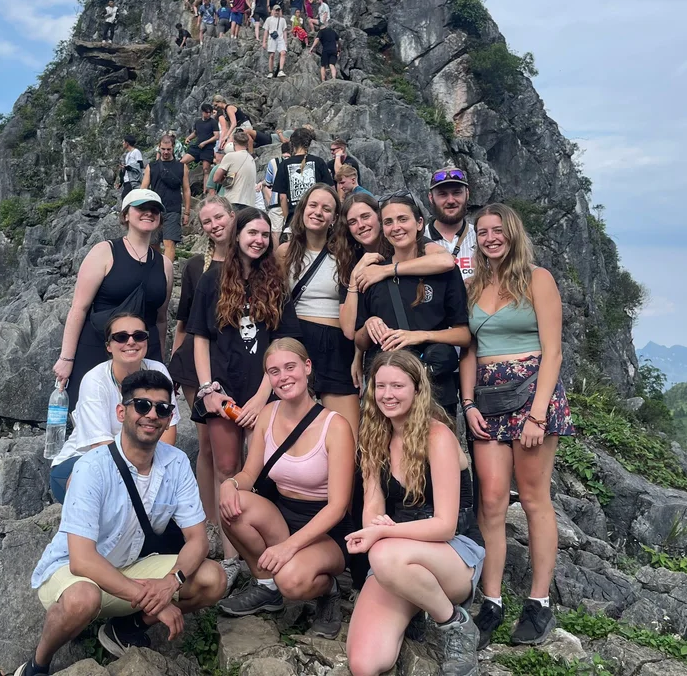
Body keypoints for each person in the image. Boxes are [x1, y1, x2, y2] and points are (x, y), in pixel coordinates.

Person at [18, 370, 226, 673]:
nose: (151, 415)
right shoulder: (93, 467)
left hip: (129, 565)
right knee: (82, 599)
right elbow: (82, 560)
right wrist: (155, 600)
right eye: (141, 405)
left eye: (162, 408)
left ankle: (126, 628)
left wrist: (171, 583)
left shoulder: (176, 462)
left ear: (169, 418)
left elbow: (197, 539)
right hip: (74, 573)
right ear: (121, 411)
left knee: (213, 578)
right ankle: (38, 663)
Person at [459, 204, 573, 647]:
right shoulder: (473, 286)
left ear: (512, 233)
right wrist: (467, 403)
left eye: (497, 230)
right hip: (486, 400)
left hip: (532, 396)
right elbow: (469, 350)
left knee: (532, 498)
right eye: (482, 232)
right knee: (489, 501)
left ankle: (538, 601)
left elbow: (554, 351)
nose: (490, 238)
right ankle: (492, 600)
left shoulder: (537, 279)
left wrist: (538, 414)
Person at [344, 351, 485, 676]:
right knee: (363, 664)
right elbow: (373, 510)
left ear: (418, 389)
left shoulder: (438, 437)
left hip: (454, 555)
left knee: (382, 555)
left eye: (398, 385)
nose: (388, 394)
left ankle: (454, 623)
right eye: (381, 386)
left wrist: (381, 534)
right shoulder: (374, 437)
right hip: (396, 559)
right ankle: (416, 605)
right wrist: (372, 531)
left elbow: (446, 526)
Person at [188, 207, 303, 582]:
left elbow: (284, 342)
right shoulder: (212, 279)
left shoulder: (275, 280)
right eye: (252, 232)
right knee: (226, 470)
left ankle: (266, 553)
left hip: (264, 392)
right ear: (237, 235)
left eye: (265, 234)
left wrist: (262, 396)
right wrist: (207, 390)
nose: (258, 240)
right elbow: (200, 338)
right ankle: (233, 556)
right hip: (222, 391)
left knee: (260, 471)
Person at [217, 339, 353, 637]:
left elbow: (338, 506)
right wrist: (231, 483)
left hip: (326, 528)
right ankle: (267, 587)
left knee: (291, 580)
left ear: (307, 367)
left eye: (290, 367)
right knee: (231, 504)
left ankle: (329, 590)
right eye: (274, 371)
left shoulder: (336, 426)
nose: (283, 377)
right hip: (282, 515)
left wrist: (287, 548)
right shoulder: (268, 414)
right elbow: (251, 472)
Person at [53, 189, 173, 410]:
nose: (149, 213)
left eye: (154, 210)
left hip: (141, 349)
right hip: (97, 347)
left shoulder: (164, 264)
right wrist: (67, 359)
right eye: (141, 208)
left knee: (141, 416)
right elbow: (79, 307)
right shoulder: (104, 252)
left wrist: (158, 361)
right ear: (126, 215)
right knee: (92, 416)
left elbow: (160, 319)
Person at [353, 194, 470, 416]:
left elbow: (463, 335)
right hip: (387, 393)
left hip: (433, 387)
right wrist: (369, 324)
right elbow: (359, 340)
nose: (396, 227)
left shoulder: (444, 273)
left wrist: (421, 335)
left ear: (419, 224)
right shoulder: (374, 274)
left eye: (402, 219)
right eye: (388, 222)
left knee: (437, 448)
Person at [49, 313, 179, 503]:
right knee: (104, 493)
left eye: (139, 336)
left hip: (144, 460)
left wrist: (150, 473)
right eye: (121, 337)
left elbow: (168, 432)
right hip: (84, 461)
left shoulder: (158, 371)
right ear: (108, 346)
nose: (131, 342)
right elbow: (101, 447)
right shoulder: (95, 380)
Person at [170, 197, 236, 542]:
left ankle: (232, 520)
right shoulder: (197, 266)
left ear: (232, 216)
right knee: (208, 444)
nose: (214, 225)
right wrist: (173, 365)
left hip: (237, 359)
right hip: (196, 364)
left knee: (233, 446)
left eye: (219, 217)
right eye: (207, 221)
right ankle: (209, 521)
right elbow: (185, 323)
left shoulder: (251, 257)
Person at [278, 185, 360, 434]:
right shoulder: (284, 253)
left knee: (347, 433)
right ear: (302, 209)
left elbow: (357, 310)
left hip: (336, 343)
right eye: (313, 205)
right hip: (297, 341)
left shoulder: (346, 255)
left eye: (327, 209)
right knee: (295, 433)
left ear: (335, 218)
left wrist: (358, 355)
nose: (318, 212)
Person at [141, 133, 190, 260]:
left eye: (168, 149)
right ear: (159, 147)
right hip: (154, 209)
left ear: (173, 147)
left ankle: (166, 272)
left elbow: (186, 189)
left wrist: (187, 212)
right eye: (163, 149)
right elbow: (144, 188)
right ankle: (156, 268)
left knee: (169, 242)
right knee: (153, 243)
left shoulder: (182, 167)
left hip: (173, 209)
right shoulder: (151, 167)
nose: (166, 152)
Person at [271, 126, 332, 222]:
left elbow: (282, 197)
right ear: (309, 144)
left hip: (294, 217)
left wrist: (287, 219)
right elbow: (330, 190)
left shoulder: (284, 164)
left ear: (292, 144)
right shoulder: (318, 162)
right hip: (316, 216)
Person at [426, 167, 477, 279]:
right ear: (431, 198)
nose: (450, 200)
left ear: (467, 194)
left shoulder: (482, 237)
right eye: (443, 194)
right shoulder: (418, 239)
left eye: (457, 193)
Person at [213, 129, 259, 211]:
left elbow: (216, 178)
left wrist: (223, 180)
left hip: (234, 200)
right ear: (247, 144)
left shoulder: (230, 156)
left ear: (233, 142)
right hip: (250, 204)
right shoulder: (251, 159)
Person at [181, 102, 219, 186]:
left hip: (208, 147)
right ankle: (186, 183)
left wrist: (205, 142)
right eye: (207, 112)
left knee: (206, 169)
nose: (208, 114)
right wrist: (188, 138)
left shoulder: (213, 122)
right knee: (182, 162)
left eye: (210, 112)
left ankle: (206, 191)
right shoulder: (198, 122)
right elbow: (195, 133)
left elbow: (216, 136)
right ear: (202, 112)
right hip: (197, 146)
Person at [263, 142, 292, 237]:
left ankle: (276, 251)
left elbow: (268, 183)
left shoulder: (273, 162)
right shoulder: (295, 162)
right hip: (292, 203)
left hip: (276, 202)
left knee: (276, 232)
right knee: (291, 231)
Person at [263, 5, 289, 77]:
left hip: (280, 39)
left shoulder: (282, 20)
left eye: (278, 10)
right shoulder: (269, 19)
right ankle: (270, 72)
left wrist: (285, 42)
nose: (277, 12)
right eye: (276, 10)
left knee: (283, 53)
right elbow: (266, 31)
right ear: (273, 10)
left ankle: (281, 70)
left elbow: (284, 31)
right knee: (271, 55)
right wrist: (264, 42)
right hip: (272, 39)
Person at [119, 136, 143, 200]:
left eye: (123, 142)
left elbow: (140, 165)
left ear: (127, 143)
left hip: (133, 180)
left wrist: (129, 167)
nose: (122, 143)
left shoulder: (136, 152)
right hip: (127, 180)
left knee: (125, 198)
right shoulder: (128, 154)